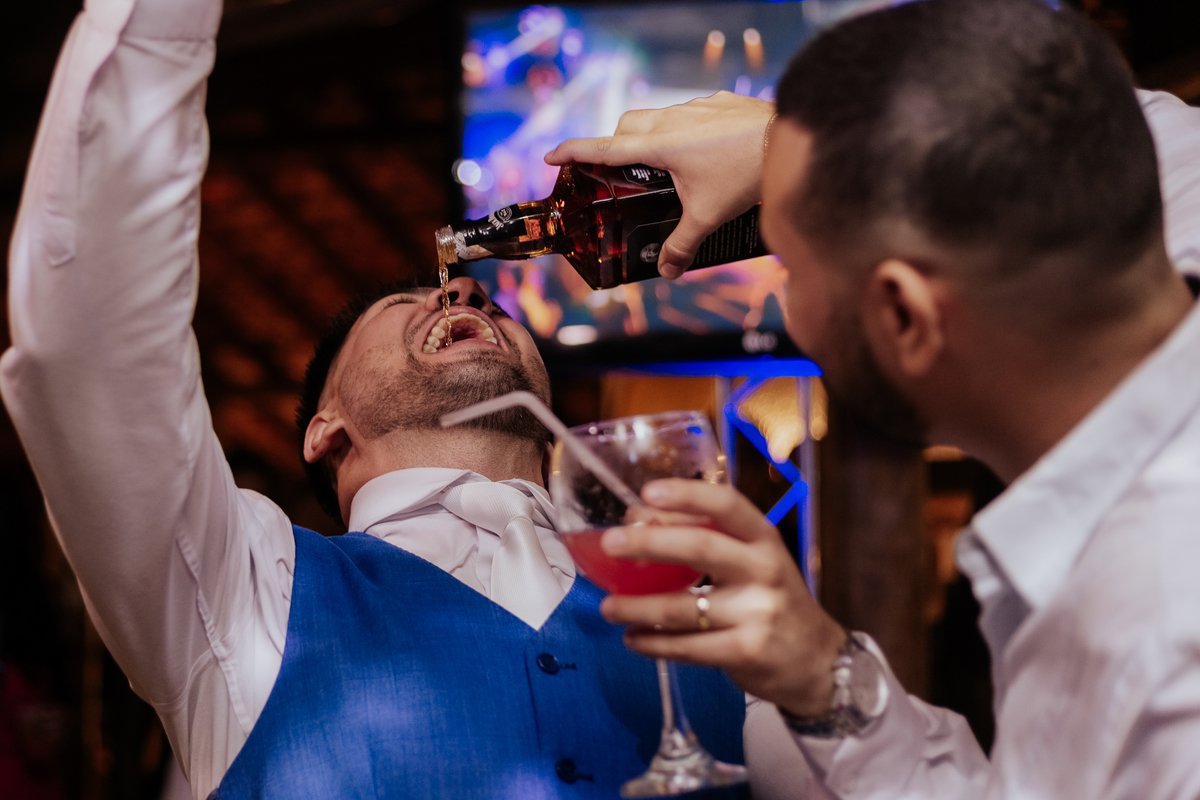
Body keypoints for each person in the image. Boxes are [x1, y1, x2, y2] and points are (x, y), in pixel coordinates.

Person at [0, 0, 816, 798]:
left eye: (483, 302)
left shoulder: (698, 616)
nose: (462, 295)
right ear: (326, 430)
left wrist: (794, 154)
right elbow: (92, 337)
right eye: (403, 306)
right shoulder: (242, 592)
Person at [548, 0, 1200, 797]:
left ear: (903, 316)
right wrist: (826, 681)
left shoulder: (1155, 651)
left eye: (789, 266)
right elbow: (1113, 127)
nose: (785, 309)